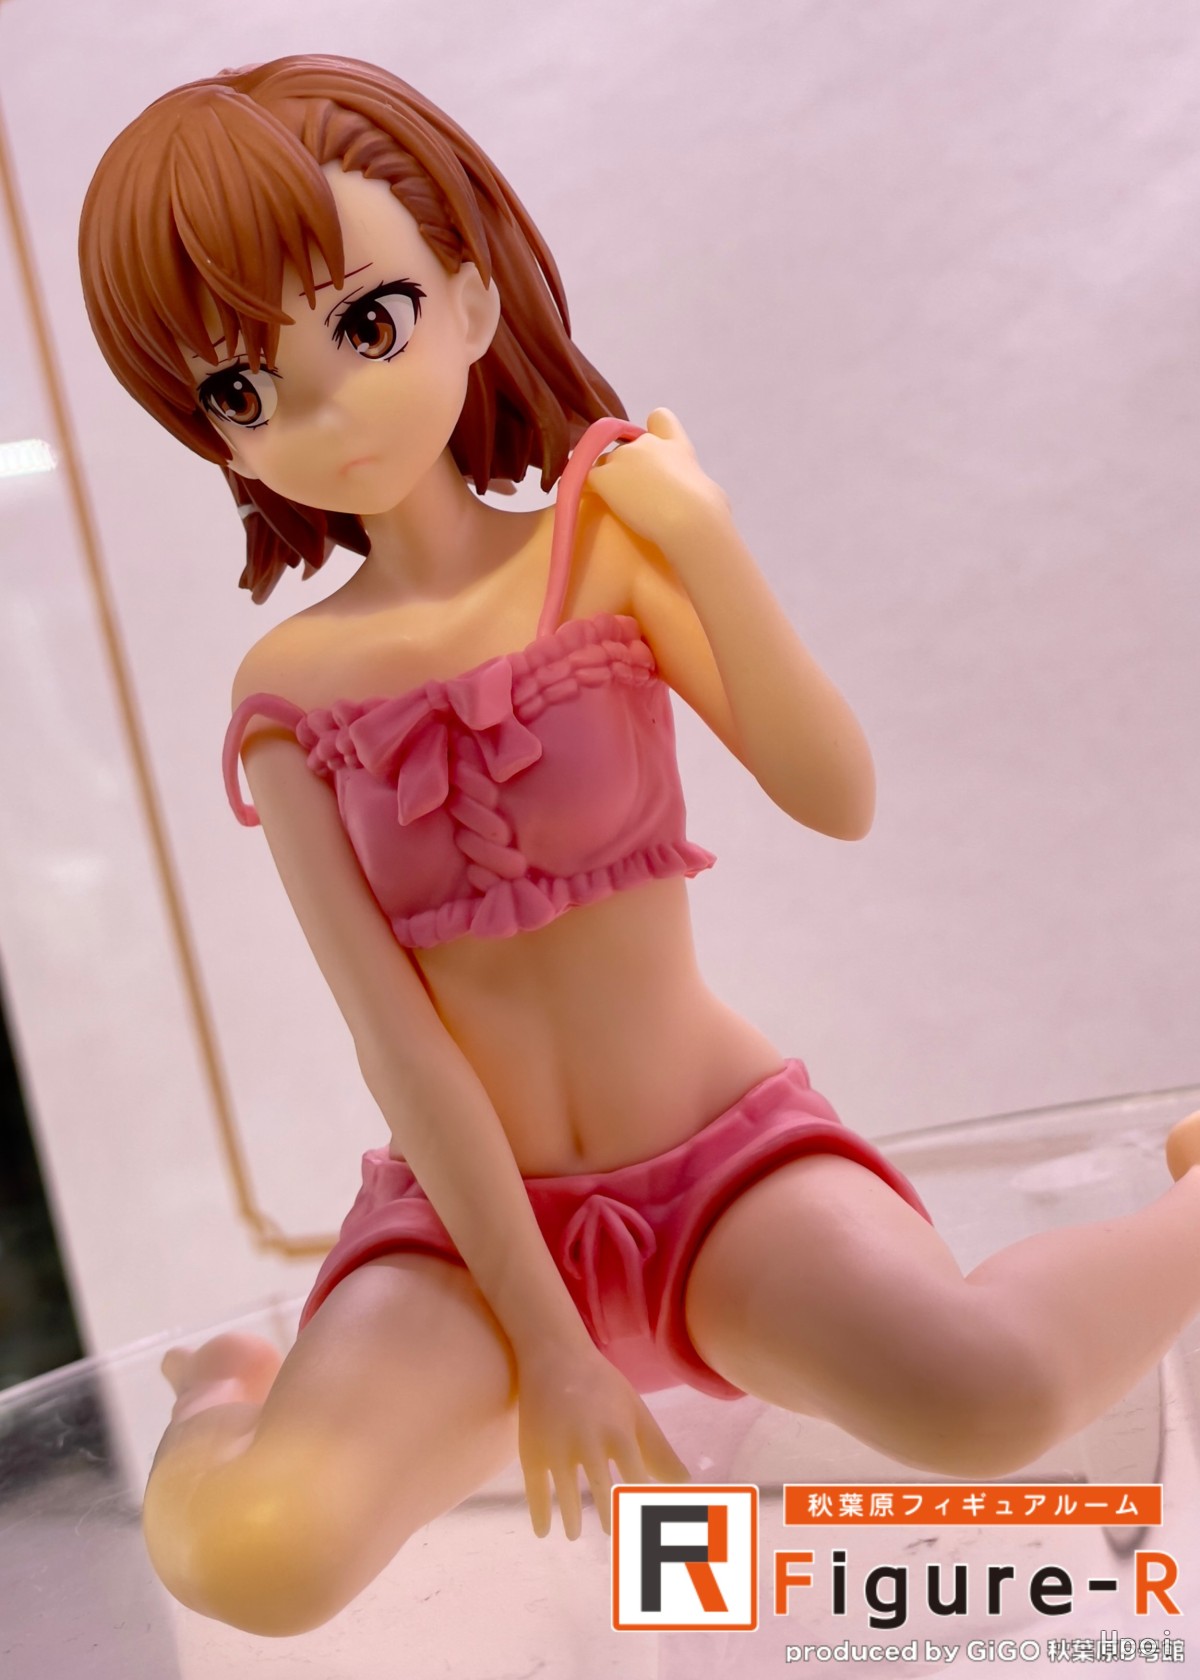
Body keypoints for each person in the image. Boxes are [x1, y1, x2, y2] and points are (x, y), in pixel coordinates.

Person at [79, 54, 1200, 1638]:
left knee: (986, 1392)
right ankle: (226, 1384)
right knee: (256, 1558)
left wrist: (709, 541)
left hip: (720, 1170)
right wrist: (549, 1344)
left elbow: (835, 793)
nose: (327, 413)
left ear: (470, 298)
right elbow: (395, 1040)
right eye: (242, 393)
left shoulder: (604, 544)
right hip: (470, 1241)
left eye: (368, 324)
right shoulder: (289, 690)